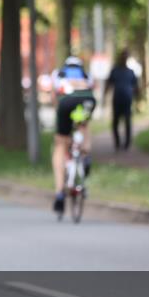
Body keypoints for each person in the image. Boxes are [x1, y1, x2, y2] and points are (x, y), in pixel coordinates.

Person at [51, 55, 97, 213]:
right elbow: (92, 88)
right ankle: (85, 153)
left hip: (66, 102)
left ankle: (59, 192)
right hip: (87, 100)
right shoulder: (86, 75)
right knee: (83, 126)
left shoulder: (58, 74)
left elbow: (55, 98)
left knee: (60, 144)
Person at [105, 49, 139, 151]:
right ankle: (117, 142)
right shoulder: (115, 71)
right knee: (115, 122)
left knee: (127, 122)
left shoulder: (130, 72)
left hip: (127, 100)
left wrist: (137, 98)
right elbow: (108, 84)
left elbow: (136, 86)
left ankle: (127, 144)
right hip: (117, 100)